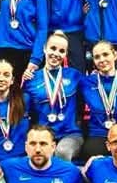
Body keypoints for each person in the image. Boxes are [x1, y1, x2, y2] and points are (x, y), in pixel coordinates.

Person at [24, 31, 84, 161]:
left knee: (62, 152)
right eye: (53, 48)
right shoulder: (32, 79)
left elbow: (96, 85)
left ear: (66, 54)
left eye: (61, 51)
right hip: (43, 135)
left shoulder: (74, 75)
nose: (56, 53)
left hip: (70, 134)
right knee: (40, 153)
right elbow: (19, 105)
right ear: (45, 48)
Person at [79, 41, 117, 161]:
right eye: (97, 57)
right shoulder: (86, 83)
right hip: (99, 133)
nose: (102, 60)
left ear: (115, 55)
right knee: (91, 156)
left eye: (105, 54)